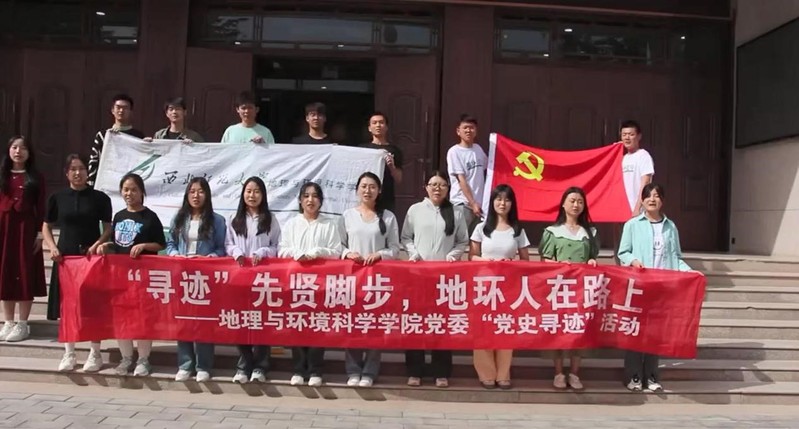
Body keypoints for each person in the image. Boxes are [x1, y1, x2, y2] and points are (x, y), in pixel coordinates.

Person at [617, 183, 692, 393]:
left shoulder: (670, 227)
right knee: (635, 331)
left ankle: (651, 376)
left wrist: (691, 273)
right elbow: (623, 252)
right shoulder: (632, 225)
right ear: (642, 200)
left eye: (657, 196)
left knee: (655, 334)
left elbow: (676, 258)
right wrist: (633, 261)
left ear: (662, 201)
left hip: (662, 289)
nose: (652, 199)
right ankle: (633, 375)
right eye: (648, 196)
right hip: (639, 286)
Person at [42, 154, 112, 371]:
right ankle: (69, 353)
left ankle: (95, 353)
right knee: (67, 307)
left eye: (81, 168)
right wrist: (52, 247)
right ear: (66, 173)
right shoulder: (57, 198)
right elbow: (46, 226)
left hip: (90, 257)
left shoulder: (100, 198)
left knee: (93, 306)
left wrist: (97, 244)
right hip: (65, 258)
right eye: (73, 169)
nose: (78, 173)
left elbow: (108, 227)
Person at [400, 170, 468, 388]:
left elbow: (462, 241)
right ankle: (415, 371)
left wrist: (452, 256)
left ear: (448, 188)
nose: (437, 188)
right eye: (433, 184)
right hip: (418, 276)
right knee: (416, 324)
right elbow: (406, 237)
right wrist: (413, 253)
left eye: (442, 185)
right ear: (426, 187)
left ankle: (441, 371)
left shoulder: (456, 212)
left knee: (441, 325)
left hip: (444, 278)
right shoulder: (415, 210)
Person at [97, 173, 166, 376]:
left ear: (141, 192)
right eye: (126, 189)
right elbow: (118, 244)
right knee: (122, 318)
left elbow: (161, 244)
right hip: (120, 277)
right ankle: (126, 357)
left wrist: (144, 246)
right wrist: (106, 246)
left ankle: (144, 359)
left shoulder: (150, 217)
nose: (129, 193)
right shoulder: (119, 216)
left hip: (143, 277)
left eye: (134, 189)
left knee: (143, 318)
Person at [278, 182, 343, 387]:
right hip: (295, 284)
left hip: (320, 285)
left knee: (317, 325)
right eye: (306, 196)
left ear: (321, 201)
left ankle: (315, 370)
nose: (310, 200)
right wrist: (296, 253)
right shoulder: (291, 224)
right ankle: (298, 369)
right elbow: (281, 250)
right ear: (300, 200)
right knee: (297, 325)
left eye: (315, 196)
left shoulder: (329, 224)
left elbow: (336, 252)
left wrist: (318, 252)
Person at [340, 172, 400, 388]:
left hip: (377, 281)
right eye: (364, 186)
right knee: (353, 325)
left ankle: (370, 371)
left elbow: (395, 248)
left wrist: (380, 254)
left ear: (379, 191)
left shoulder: (388, 217)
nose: (368, 190)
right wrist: (348, 253)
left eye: (372, 186)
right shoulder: (347, 216)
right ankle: (353, 370)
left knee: (374, 326)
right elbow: (339, 245)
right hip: (352, 281)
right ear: (357, 190)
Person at [469, 184, 530, 390]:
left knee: (505, 328)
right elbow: (472, 256)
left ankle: (503, 374)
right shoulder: (481, 228)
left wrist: (510, 263)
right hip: (484, 285)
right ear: (492, 202)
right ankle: (486, 373)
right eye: (498, 199)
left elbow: (525, 260)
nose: (502, 203)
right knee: (484, 328)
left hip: (509, 287)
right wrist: (488, 262)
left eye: (507, 199)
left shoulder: (517, 230)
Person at [539, 186, 600, 390]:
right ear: (563, 204)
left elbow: (592, 256)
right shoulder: (552, 231)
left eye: (580, 202)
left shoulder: (590, 232)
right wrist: (558, 265)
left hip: (582, 289)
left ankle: (574, 373)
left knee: (579, 329)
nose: (576, 205)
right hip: (559, 288)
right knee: (558, 329)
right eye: (572, 201)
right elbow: (545, 260)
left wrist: (591, 262)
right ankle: (558, 372)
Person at [166, 177, 226, 383]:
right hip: (182, 276)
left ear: (207, 195)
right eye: (192, 191)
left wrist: (209, 258)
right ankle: (185, 364)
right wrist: (175, 256)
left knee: (203, 322)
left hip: (204, 277)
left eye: (200, 191)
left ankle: (203, 366)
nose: (196, 195)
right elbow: (170, 243)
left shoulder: (217, 220)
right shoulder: (179, 218)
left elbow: (221, 248)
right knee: (183, 320)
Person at [225, 176, 281, 384]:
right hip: (239, 277)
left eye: (257, 191)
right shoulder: (234, 218)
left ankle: (260, 366)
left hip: (262, 279)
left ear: (263, 195)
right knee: (240, 322)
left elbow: (277, 246)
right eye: (248, 191)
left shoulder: (270, 219)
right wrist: (236, 252)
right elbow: (227, 244)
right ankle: (244, 364)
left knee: (261, 323)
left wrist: (263, 251)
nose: (252, 195)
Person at [0, 136, 46, 343]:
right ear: (9, 150)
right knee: (6, 272)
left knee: (24, 271)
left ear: (29, 153)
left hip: (25, 229)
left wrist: (39, 233)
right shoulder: (2, 174)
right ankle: (8, 321)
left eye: (23, 148)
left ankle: (22, 323)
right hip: (4, 229)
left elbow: (41, 207)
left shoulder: (35, 177)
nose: (18, 151)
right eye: (15, 147)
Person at [87, 94, 145, 187]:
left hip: (130, 186)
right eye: (118, 107)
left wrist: (148, 144)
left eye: (125, 108)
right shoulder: (103, 135)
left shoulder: (138, 137)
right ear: (112, 110)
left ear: (131, 111)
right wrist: (91, 184)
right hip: (106, 185)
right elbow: (94, 161)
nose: (121, 111)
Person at [446, 114, 487, 234]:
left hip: (479, 205)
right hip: (463, 203)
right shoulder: (454, 152)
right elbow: (461, 180)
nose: (468, 130)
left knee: (475, 240)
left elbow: (488, 169)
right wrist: (472, 203)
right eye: (465, 128)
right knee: (460, 239)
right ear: (458, 131)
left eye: (472, 128)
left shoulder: (478, 149)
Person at [359, 112, 403, 212]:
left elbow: (399, 179)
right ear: (369, 128)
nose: (378, 125)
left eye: (381, 122)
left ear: (386, 127)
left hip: (386, 196)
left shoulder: (394, 150)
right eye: (374, 123)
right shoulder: (362, 149)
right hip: (365, 194)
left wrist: (392, 167)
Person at [619, 120, 654, 216]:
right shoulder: (622, 158)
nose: (627, 138)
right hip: (622, 209)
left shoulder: (643, 156)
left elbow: (646, 183)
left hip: (638, 210)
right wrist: (613, 151)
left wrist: (638, 207)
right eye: (624, 135)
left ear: (639, 136)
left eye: (631, 134)